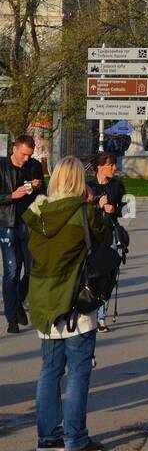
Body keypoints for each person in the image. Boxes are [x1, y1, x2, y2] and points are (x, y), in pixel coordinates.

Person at [26, 156, 113, 451]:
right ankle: (75, 437)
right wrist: (93, 205)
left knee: (50, 370)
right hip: (76, 299)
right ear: (78, 181)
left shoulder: (37, 212)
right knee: (78, 370)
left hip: (43, 298)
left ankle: (48, 435)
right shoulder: (83, 212)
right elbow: (105, 236)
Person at [1, 133, 46, 333]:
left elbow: (42, 193)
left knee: (33, 269)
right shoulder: (2, 166)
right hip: (7, 224)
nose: (27, 158)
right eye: (24, 154)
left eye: (30, 155)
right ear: (15, 149)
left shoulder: (34, 166)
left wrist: (36, 186)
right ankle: (11, 318)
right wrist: (11, 196)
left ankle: (18, 300)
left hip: (29, 222)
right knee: (11, 272)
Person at [86, 151, 127, 333]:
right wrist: (96, 204)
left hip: (110, 235)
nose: (114, 168)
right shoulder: (88, 185)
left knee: (108, 277)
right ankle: (90, 311)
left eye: (115, 164)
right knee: (91, 276)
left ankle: (101, 317)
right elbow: (81, 209)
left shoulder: (118, 186)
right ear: (100, 167)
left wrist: (115, 209)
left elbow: (128, 212)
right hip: (91, 237)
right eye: (111, 165)